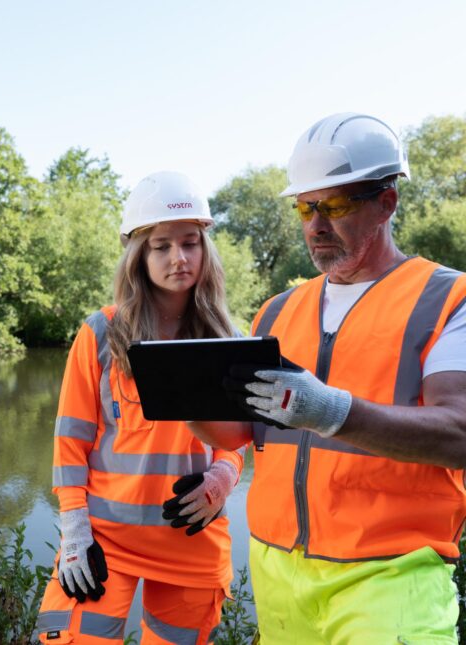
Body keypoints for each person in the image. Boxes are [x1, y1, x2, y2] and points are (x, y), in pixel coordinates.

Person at [190, 112, 466, 643]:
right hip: (276, 570)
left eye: (335, 206)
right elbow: (245, 436)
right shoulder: (274, 312)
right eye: (305, 208)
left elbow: (459, 433)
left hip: (389, 574)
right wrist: (190, 399)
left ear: (387, 202)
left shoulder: (448, 300)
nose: (316, 225)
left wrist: (334, 413)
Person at [35, 171, 246, 645]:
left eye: (190, 243)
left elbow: (237, 441)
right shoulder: (102, 333)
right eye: (162, 246)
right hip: (103, 540)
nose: (179, 257)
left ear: (204, 249)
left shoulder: (225, 340)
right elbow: (70, 441)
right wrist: (73, 531)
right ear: (138, 254)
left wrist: (222, 478)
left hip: (192, 541)